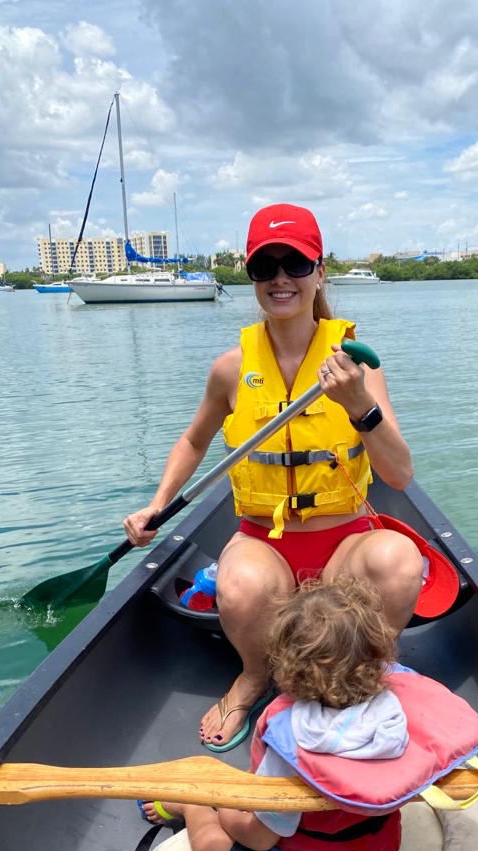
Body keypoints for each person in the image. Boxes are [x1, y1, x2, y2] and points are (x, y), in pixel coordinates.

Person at [123, 203, 422, 751]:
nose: (281, 278)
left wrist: (360, 405)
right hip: (265, 543)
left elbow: (399, 475)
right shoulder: (231, 368)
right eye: (266, 266)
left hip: (345, 543)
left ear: (319, 272)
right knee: (239, 586)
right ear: (252, 277)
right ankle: (254, 676)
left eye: (296, 264)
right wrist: (157, 503)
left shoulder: (357, 365)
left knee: (402, 562)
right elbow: (193, 441)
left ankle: (366, 666)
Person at [139, 575, 407, 851]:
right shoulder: (394, 715)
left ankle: (189, 807)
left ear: (288, 667)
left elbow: (259, 838)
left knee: (209, 845)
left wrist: (219, 806)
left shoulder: (290, 745)